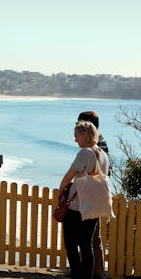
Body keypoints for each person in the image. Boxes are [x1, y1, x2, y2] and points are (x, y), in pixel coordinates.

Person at [60, 121, 110, 279]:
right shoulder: (103, 154)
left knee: (71, 243)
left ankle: (76, 275)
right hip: (94, 206)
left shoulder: (85, 153)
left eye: (76, 136)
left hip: (77, 207)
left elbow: (68, 176)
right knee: (86, 244)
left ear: (85, 135)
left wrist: (60, 192)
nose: (75, 140)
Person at [77, 111, 109, 279]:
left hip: (92, 196)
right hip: (97, 195)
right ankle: (96, 272)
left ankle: (93, 273)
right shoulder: (100, 143)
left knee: (90, 238)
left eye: (80, 123)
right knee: (93, 238)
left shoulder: (95, 146)